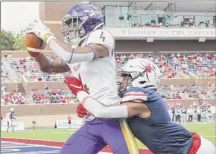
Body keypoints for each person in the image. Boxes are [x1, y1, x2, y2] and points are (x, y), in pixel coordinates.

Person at [25, 3, 138, 154]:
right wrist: (36, 52)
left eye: (75, 22)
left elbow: (70, 55)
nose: (71, 28)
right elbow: (48, 67)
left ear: (90, 22)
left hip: (112, 117)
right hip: (91, 121)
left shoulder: (101, 36)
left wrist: (48, 36)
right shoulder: (77, 49)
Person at [66, 58, 216, 154]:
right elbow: (110, 106)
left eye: (127, 76)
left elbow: (104, 110)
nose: (122, 81)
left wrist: (81, 93)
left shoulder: (146, 97)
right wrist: (91, 104)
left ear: (143, 76)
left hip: (195, 150)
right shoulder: (135, 99)